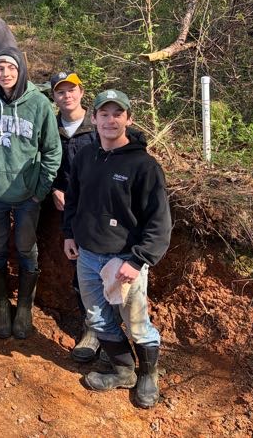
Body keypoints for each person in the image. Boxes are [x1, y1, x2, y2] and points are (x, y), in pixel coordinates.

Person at [63, 89, 171, 409]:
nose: (111, 120)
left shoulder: (144, 165)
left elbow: (159, 221)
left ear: (129, 118)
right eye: (104, 114)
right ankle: (124, 370)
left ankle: (148, 375)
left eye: (117, 114)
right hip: (87, 256)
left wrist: (138, 261)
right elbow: (73, 200)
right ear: (93, 118)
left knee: (136, 322)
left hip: (125, 259)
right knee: (97, 319)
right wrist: (70, 233)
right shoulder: (85, 156)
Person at [0, 47, 61, 340]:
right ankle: (1, 304)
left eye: (11, 68)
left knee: (25, 248)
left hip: (26, 197)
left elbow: (52, 151)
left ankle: (24, 307)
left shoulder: (39, 105)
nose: (5, 74)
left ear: (21, 70)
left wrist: (39, 190)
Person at [49, 71, 100, 362]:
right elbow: (44, 161)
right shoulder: (52, 127)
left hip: (98, 210)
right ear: (54, 98)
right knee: (82, 269)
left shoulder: (97, 125)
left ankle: (108, 328)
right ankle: (91, 327)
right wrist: (53, 190)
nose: (66, 96)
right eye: (60, 92)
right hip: (68, 209)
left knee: (102, 268)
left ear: (81, 92)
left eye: (71, 90)